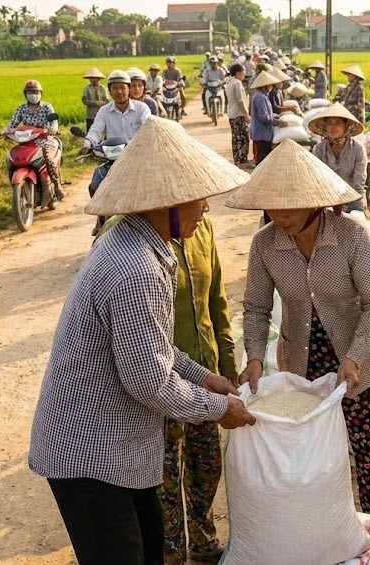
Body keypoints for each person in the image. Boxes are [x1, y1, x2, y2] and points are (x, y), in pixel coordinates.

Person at [29, 117, 255, 565]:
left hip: (119, 449)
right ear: (167, 203)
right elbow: (149, 380)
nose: (206, 209)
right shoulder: (136, 268)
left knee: (151, 550)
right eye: (199, 198)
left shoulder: (142, 245)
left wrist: (204, 375)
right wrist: (220, 408)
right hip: (90, 454)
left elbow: (154, 346)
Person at [230, 139, 370, 515]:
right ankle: (324, 525)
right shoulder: (264, 245)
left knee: (368, 449)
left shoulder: (350, 236)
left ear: (315, 200)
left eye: (290, 205)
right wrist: (254, 357)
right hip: (303, 361)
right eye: (272, 205)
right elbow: (255, 308)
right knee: (312, 452)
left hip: (358, 360)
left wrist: (353, 357)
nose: (280, 215)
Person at [158, 216, 238, 565]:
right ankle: (170, 551)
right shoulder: (130, 237)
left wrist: (228, 359)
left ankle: (202, 536)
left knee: (206, 465)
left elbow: (216, 300)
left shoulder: (202, 227)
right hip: (161, 380)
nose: (206, 204)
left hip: (205, 371)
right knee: (166, 475)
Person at [82, 69, 152, 235]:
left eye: (122, 88)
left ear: (128, 89)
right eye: (115, 88)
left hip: (137, 158)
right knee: (95, 185)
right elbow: (96, 130)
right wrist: (87, 143)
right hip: (112, 160)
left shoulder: (142, 108)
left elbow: (148, 124)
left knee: (151, 188)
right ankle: (101, 219)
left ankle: (151, 222)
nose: (119, 92)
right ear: (110, 90)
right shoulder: (104, 111)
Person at [3, 79, 64, 200]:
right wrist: (5, 131)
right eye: (30, 92)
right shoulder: (21, 108)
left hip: (45, 140)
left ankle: (57, 186)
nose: (33, 95)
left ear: (41, 93)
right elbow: (13, 122)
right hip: (26, 141)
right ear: (25, 94)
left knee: (48, 158)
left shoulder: (47, 107)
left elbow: (54, 121)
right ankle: (17, 188)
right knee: (11, 157)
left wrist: (53, 129)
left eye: (35, 92)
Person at [308, 104, 367, 212]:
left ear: (346, 126)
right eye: (329, 123)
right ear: (324, 127)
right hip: (326, 198)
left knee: (358, 220)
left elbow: (359, 182)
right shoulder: (319, 149)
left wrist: (346, 203)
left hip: (353, 198)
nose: (333, 127)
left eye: (338, 123)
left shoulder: (357, 149)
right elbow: (317, 179)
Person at [248, 71, 279, 165]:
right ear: (264, 85)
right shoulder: (260, 97)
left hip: (263, 132)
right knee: (263, 159)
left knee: (263, 157)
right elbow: (264, 117)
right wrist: (276, 122)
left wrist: (276, 116)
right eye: (270, 85)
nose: (271, 87)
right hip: (261, 133)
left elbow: (267, 113)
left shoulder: (262, 95)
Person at [226, 63, 251, 169]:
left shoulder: (230, 82)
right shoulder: (237, 83)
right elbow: (240, 101)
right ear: (237, 73)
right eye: (242, 73)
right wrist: (246, 115)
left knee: (236, 138)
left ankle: (238, 159)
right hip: (238, 115)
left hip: (232, 114)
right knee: (243, 137)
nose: (244, 75)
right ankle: (242, 159)